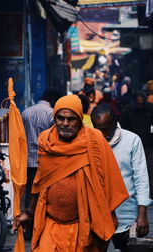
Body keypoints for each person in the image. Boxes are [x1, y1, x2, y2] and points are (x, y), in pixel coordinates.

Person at [15, 94, 129, 252]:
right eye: (60, 118)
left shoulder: (94, 140)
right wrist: (29, 212)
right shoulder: (46, 141)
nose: (65, 123)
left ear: (80, 119)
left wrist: (104, 218)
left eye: (71, 119)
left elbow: (108, 183)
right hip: (51, 224)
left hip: (83, 225)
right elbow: (40, 181)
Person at [91, 104, 151, 252]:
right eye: (97, 129)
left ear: (115, 121)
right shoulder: (89, 141)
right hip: (96, 217)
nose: (102, 134)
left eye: (105, 129)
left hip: (127, 216)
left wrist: (142, 214)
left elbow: (141, 178)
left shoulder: (132, 140)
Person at [21, 87, 63, 240]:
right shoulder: (51, 115)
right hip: (44, 161)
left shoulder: (26, 112)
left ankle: (28, 230)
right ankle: (40, 228)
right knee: (44, 195)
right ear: (53, 100)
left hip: (26, 160)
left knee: (29, 194)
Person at [120, 90, 153, 198]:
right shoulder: (128, 110)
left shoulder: (150, 108)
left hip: (148, 145)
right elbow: (122, 127)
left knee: (149, 170)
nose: (140, 105)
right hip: (132, 146)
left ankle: (149, 194)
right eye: (138, 103)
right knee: (134, 170)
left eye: (142, 103)